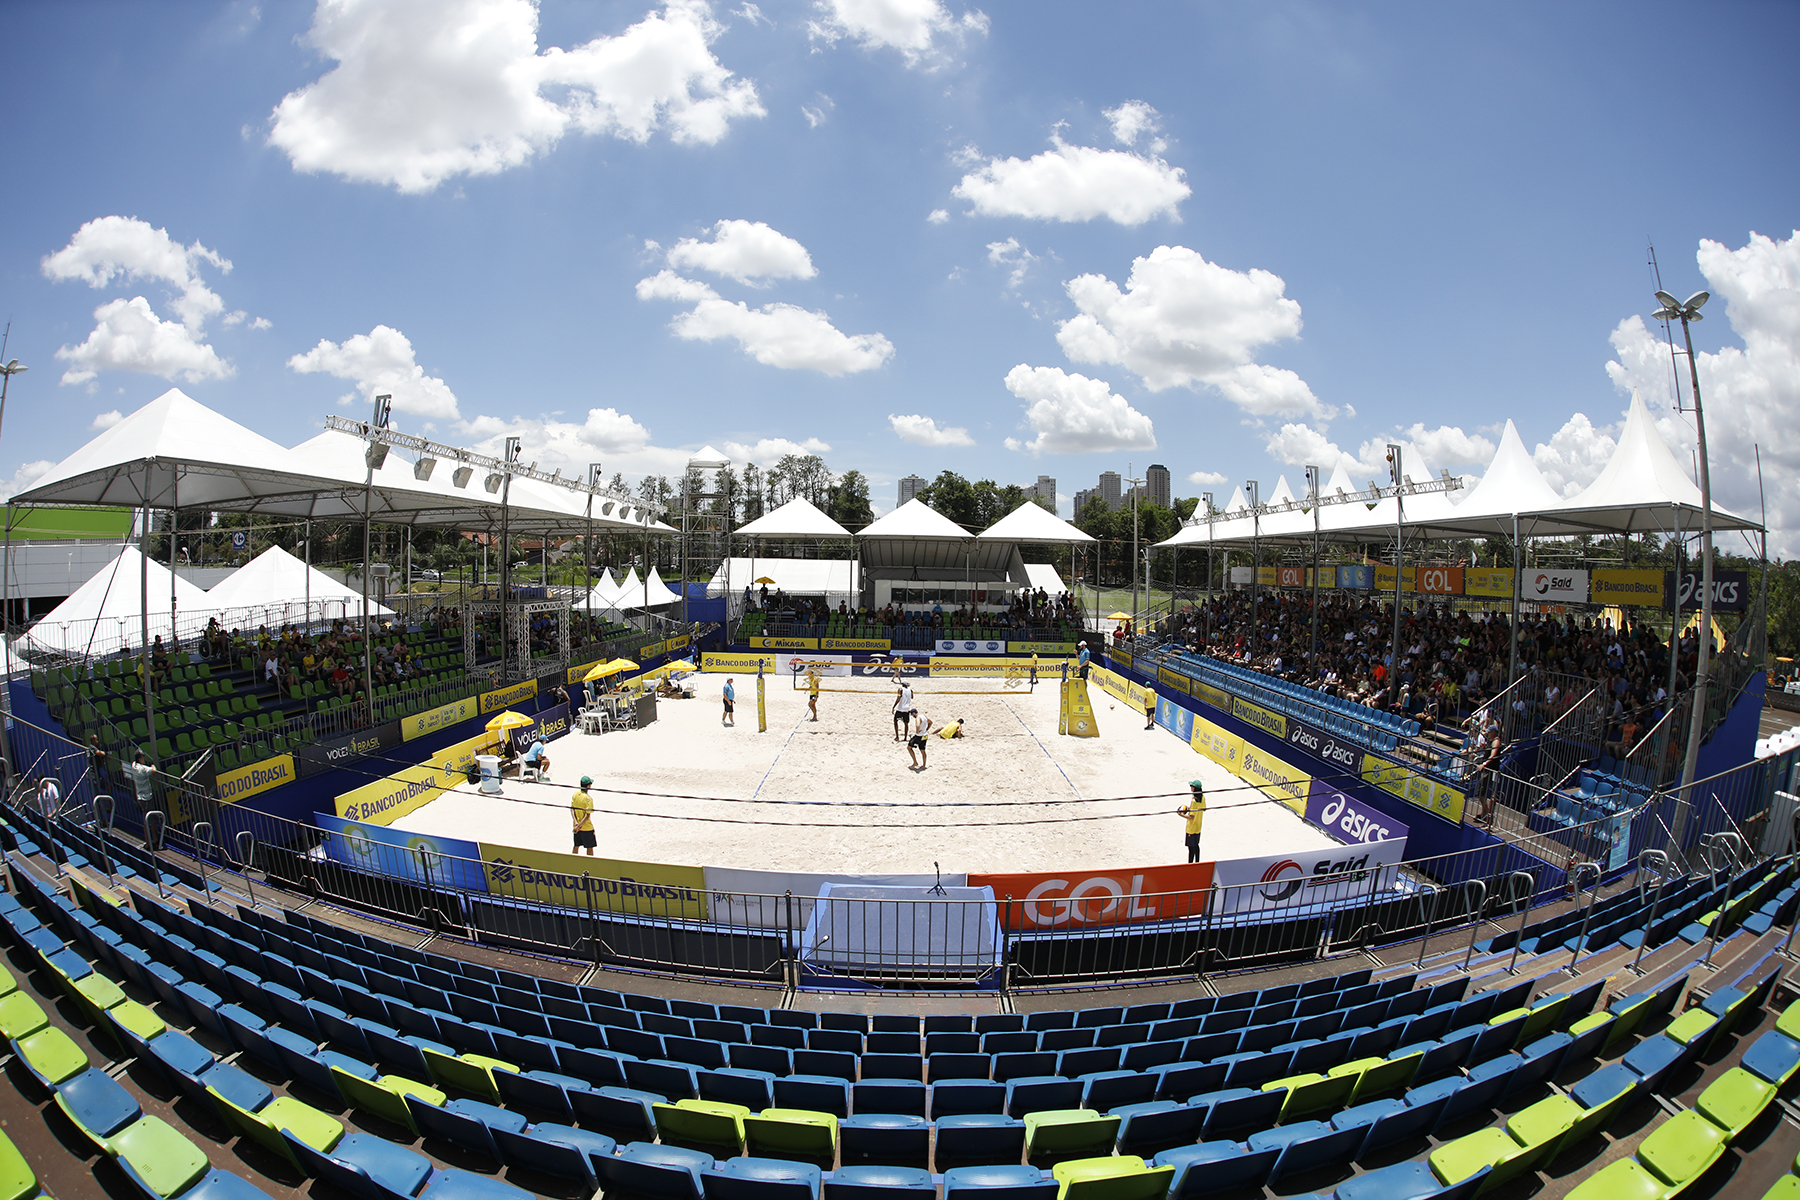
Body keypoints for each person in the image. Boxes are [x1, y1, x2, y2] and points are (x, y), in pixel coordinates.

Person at [1177, 782, 1206, 863]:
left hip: (1192, 827)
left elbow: (1191, 817)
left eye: (1191, 786)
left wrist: (1181, 814)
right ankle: (1197, 862)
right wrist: (1190, 808)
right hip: (1198, 826)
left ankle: (1190, 864)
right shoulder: (1203, 798)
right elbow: (1203, 809)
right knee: (1196, 846)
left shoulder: (1194, 801)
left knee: (1191, 848)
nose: (1190, 787)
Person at [571, 776, 596, 855]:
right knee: (590, 847)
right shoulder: (588, 799)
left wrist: (576, 824)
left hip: (576, 826)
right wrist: (579, 826)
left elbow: (572, 809)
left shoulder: (575, 794)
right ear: (588, 786)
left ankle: (573, 861)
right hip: (586, 828)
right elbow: (587, 816)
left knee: (576, 845)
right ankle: (590, 863)